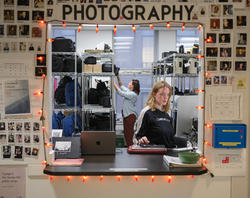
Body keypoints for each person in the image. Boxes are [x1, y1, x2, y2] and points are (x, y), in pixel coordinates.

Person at [135, 81, 186, 148]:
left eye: (167, 94)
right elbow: (137, 136)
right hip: (154, 155)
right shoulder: (146, 112)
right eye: (162, 94)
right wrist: (141, 140)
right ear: (154, 94)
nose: (165, 97)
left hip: (168, 153)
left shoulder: (166, 115)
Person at [114, 73, 140, 146]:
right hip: (127, 116)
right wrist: (118, 77)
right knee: (127, 133)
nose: (128, 83)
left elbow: (120, 92)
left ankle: (131, 147)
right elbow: (121, 86)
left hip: (130, 116)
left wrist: (112, 82)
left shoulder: (133, 94)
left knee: (129, 134)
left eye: (130, 83)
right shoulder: (129, 92)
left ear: (133, 86)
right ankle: (130, 147)